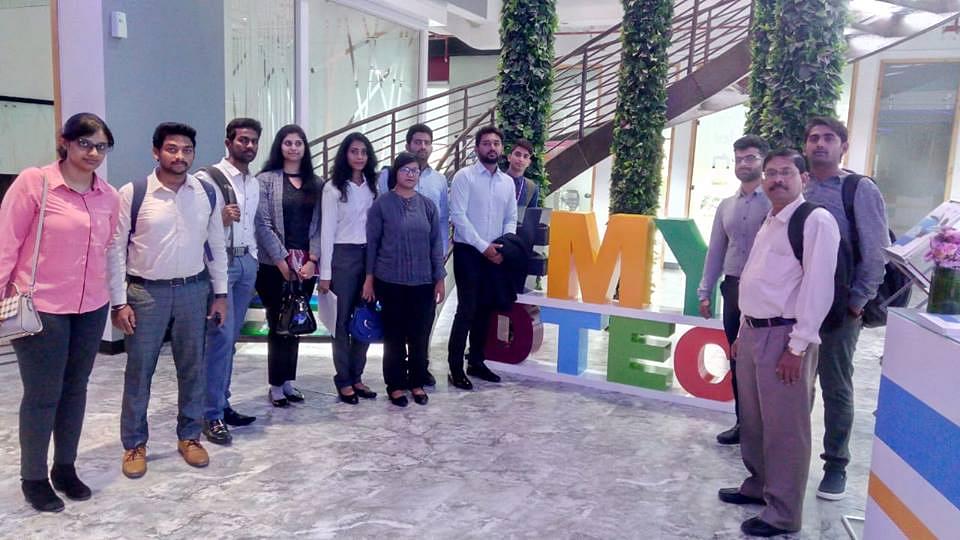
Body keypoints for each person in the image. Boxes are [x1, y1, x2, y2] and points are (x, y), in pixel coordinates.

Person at [0, 113, 119, 512]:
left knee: (75, 388)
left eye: (101, 146)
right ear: (65, 142)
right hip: (42, 307)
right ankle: (33, 477)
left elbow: (107, 249)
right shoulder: (35, 183)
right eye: (85, 143)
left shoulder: (108, 196)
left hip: (91, 306)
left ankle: (65, 468)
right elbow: (6, 244)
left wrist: (115, 298)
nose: (93, 152)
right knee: (42, 394)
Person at [718, 148, 840, 537]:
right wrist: (742, 332)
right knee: (754, 422)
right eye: (771, 173)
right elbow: (757, 278)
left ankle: (783, 512)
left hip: (786, 336)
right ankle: (759, 486)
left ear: (804, 179)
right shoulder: (771, 219)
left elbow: (819, 287)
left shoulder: (815, 220)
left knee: (785, 428)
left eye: (786, 172)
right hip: (754, 332)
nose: (776, 179)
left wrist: (798, 346)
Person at [108, 122, 229, 479]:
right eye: (172, 149)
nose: (180, 156)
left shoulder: (206, 192)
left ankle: (189, 436)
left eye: (187, 150)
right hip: (146, 294)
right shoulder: (134, 193)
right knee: (139, 370)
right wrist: (119, 302)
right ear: (156, 151)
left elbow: (216, 245)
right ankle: (134, 444)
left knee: (193, 368)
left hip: (194, 290)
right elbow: (115, 251)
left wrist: (220, 294)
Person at [802, 116, 889, 500]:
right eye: (813, 138)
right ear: (805, 146)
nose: (820, 144)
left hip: (840, 309)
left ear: (843, 147)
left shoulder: (858, 189)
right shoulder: (800, 186)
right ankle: (791, 460)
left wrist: (856, 303)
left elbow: (876, 252)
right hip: (797, 307)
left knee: (835, 387)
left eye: (828, 138)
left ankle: (835, 465)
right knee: (795, 386)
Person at [697, 135, 771, 445]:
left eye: (750, 158)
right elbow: (716, 250)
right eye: (739, 159)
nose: (743, 164)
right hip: (733, 288)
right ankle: (743, 423)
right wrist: (705, 291)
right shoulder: (726, 206)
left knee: (764, 361)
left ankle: (767, 429)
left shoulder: (776, 203)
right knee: (737, 358)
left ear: (764, 162)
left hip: (768, 294)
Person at [195, 117, 262, 445]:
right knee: (219, 339)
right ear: (228, 142)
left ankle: (222, 402)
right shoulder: (206, 179)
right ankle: (211, 414)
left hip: (247, 262)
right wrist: (219, 219)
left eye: (253, 141)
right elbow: (191, 223)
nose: (248, 146)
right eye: (242, 140)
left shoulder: (253, 183)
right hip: (221, 264)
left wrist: (257, 259)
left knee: (231, 340)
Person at [364, 152, 446, 407]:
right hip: (390, 281)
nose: (411, 175)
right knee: (395, 337)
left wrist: (440, 278)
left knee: (420, 336)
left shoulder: (428, 206)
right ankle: (396, 386)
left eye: (415, 171)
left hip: (423, 283)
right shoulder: (382, 204)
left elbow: (436, 245)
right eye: (405, 170)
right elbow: (373, 244)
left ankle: (417, 383)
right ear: (395, 173)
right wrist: (369, 279)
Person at [376, 123, 449, 386]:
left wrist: (440, 258)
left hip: (424, 266)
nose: (422, 147)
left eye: (427, 142)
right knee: (396, 327)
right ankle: (397, 378)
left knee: (421, 325)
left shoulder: (439, 181)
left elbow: (442, 222)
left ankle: (420, 371)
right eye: (417, 142)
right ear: (408, 145)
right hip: (393, 266)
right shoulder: (387, 177)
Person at [254, 124, 321, 407]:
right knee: (277, 323)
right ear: (279, 146)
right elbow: (262, 223)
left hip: (306, 265)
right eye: (288, 143)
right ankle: (275, 385)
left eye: (298, 143)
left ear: (305, 148)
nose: (293, 148)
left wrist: (313, 260)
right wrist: (282, 261)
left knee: (297, 320)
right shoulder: (265, 180)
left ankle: (288, 381)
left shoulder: (316, 182)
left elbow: (320, 225)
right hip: (273, 264)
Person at [446, 126, 518, 390]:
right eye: (486, 143)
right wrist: (482, 246)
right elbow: (458, 216)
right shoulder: (464, 177)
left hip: (496, 252)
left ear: (502, 149)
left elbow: (511, 217)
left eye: (496, 143)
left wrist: (503, 246)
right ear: (477, 148)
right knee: (467, 309)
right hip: (469, 252)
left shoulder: (507, 182)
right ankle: (455, 368)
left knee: (486, 309)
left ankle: (476, 361)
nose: (492, 147)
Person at [320, 132, 379, 404]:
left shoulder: (373, 187)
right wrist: (325, 274)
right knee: (342, 322)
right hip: (342, 257)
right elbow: (326, 232)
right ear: (345, 154)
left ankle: (357, 376)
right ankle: (343, 379)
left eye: (364, 152)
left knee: (365, 317)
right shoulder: (333, 188)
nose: (359, 156)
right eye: (354, 151)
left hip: (369, 257)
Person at [503, 138, 540, 224]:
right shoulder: (496, 181)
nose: (521, 159)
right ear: (509, 157)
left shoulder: (532, 188)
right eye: (517, 154)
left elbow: (531, 220)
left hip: (519, 230)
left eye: (525, 156)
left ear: (528, 163)